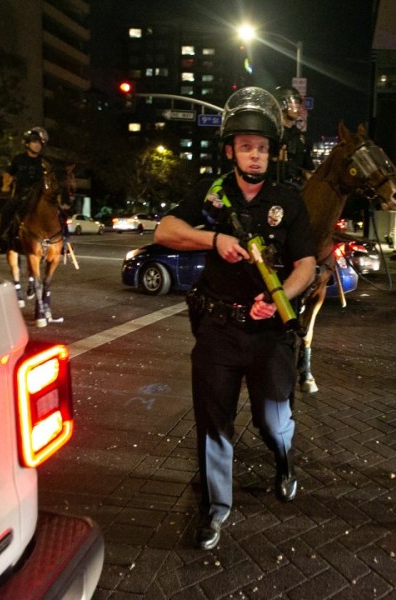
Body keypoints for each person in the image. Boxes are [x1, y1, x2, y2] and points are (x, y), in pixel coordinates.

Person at [154, 86, 317, 551]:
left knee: (273, 420)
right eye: (246, 146)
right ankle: (215, 508)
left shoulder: (290, 198)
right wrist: (214, 240)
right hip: (218, 329)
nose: (255, 154)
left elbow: (306, 263)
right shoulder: (211, 193)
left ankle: (284, 462)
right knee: (213, 421)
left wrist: (281, 295)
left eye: (262, 147)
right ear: (230, 150)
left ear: (273, 152)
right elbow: (165, 229)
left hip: (269, 333)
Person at [0, 127, 50, 254]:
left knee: (58, 212)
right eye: (34, 142)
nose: (37, 145)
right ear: (27, 143)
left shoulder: (44, 162)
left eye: (39, 143)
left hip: (40, 195)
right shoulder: (18, 159)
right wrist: (5, 185)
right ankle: (2, 239)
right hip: (22, 194)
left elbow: (50, 178)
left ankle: (61, 241)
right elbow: (8, 173)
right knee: (6, 210)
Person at [273, 86, 314, 188]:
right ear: (281, 104)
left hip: (296, 191)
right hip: (272, 189)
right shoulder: (271, 133)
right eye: (294, 102)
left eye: (298, 103)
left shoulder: (302, 138)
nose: (298, 107)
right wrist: (273, 159)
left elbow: (307, 170)